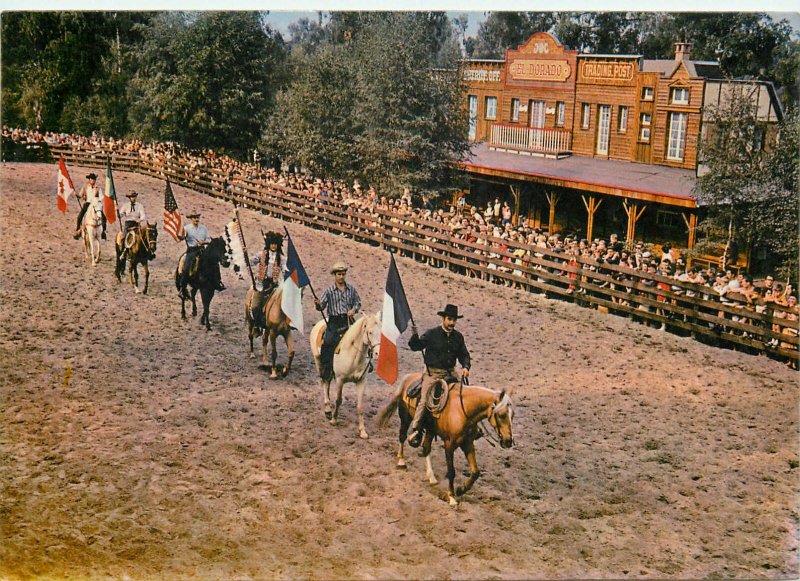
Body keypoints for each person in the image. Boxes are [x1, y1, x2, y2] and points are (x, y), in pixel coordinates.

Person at [406, 304, 471, 448]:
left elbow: (464, 354)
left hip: (451, 372)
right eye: (449, 319)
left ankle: (470, 427)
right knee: (424, 400)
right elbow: (416, 346)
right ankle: (416, 429)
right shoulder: (431, 334)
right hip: (433, 374)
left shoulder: (458, 337)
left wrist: (466, 367)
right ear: (443, 319)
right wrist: (414, 336)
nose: (452, 323)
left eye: (454, 320)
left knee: (465, 393)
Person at [314, 260, 362, 382]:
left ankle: (363, 365)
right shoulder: (329, 291)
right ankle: (326, 369)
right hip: (334, 322)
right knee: (328, 342)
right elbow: (322, 306)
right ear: (334, 275)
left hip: (347, 320)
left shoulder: (351, 290)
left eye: (343, 274)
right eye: (339, 274)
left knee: (361, 338)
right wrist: (318, 304)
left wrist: (353, 309)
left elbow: (358, 302)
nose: (341, 277)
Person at [176, 212, 223, 297]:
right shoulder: (186, 228)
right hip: (191, 250)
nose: (196, 219)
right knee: (186, 266)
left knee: (214, 262)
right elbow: (182, 238)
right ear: (191, 219)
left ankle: (217, 282)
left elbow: (209, 239)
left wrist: (204, 242)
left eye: (197, 217)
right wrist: (181, 236)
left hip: (202, 250)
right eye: (194, 217)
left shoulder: (203, 228)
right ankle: (183, 287)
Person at [249, 231, 284, 332]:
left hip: (274, 285)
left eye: (275, 244)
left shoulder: (281, 258)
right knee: (255, 305)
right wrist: (246, 255)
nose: (273, 246)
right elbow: (251, 261)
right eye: (272, 244)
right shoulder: (261, 254)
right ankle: (256, 325)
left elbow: (285, 270)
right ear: (268, 244)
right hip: (262, 283)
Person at [73, 172, 107, 240]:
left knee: (103, 217)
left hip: (95, 204)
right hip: (87, 204)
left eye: (94, 179)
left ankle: (103, 232)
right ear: (89, 180)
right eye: (92, 179)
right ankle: (78, 230)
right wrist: (77, 195)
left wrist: (98, 201)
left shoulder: (98, 189)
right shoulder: (85, 188)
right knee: (80, 216)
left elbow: (101, 197)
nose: (93, 180)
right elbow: (80, 195)